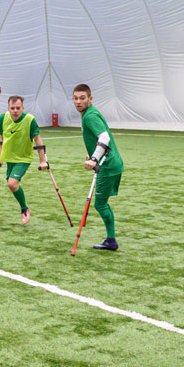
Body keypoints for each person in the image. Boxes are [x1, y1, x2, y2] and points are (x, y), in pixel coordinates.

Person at [72, 84, 124, 250]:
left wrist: (94, 159)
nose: (78, 102)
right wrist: (94, 153)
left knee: (100, 204)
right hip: (109, 163)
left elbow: (104, 137)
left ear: (90, 99)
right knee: (102, 203)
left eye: (82, 98)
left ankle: (111, 240)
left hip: (108, 166)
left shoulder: (89, 116)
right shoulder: (89, 113)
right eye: (75, 98)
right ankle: (111, 239)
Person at [0, 95, 48, 224]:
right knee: (12, 185)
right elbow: (1, 139)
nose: (15, 111)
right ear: (8, 108)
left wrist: (42, 161)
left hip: (24, 158)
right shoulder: (3, 118)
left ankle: (24, 209)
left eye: (18, 108)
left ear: (23, 107)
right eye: (12, 108)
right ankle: (24, 207)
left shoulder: (30, 120)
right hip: (9, 157)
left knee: (12, 183)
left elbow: (38, 141)